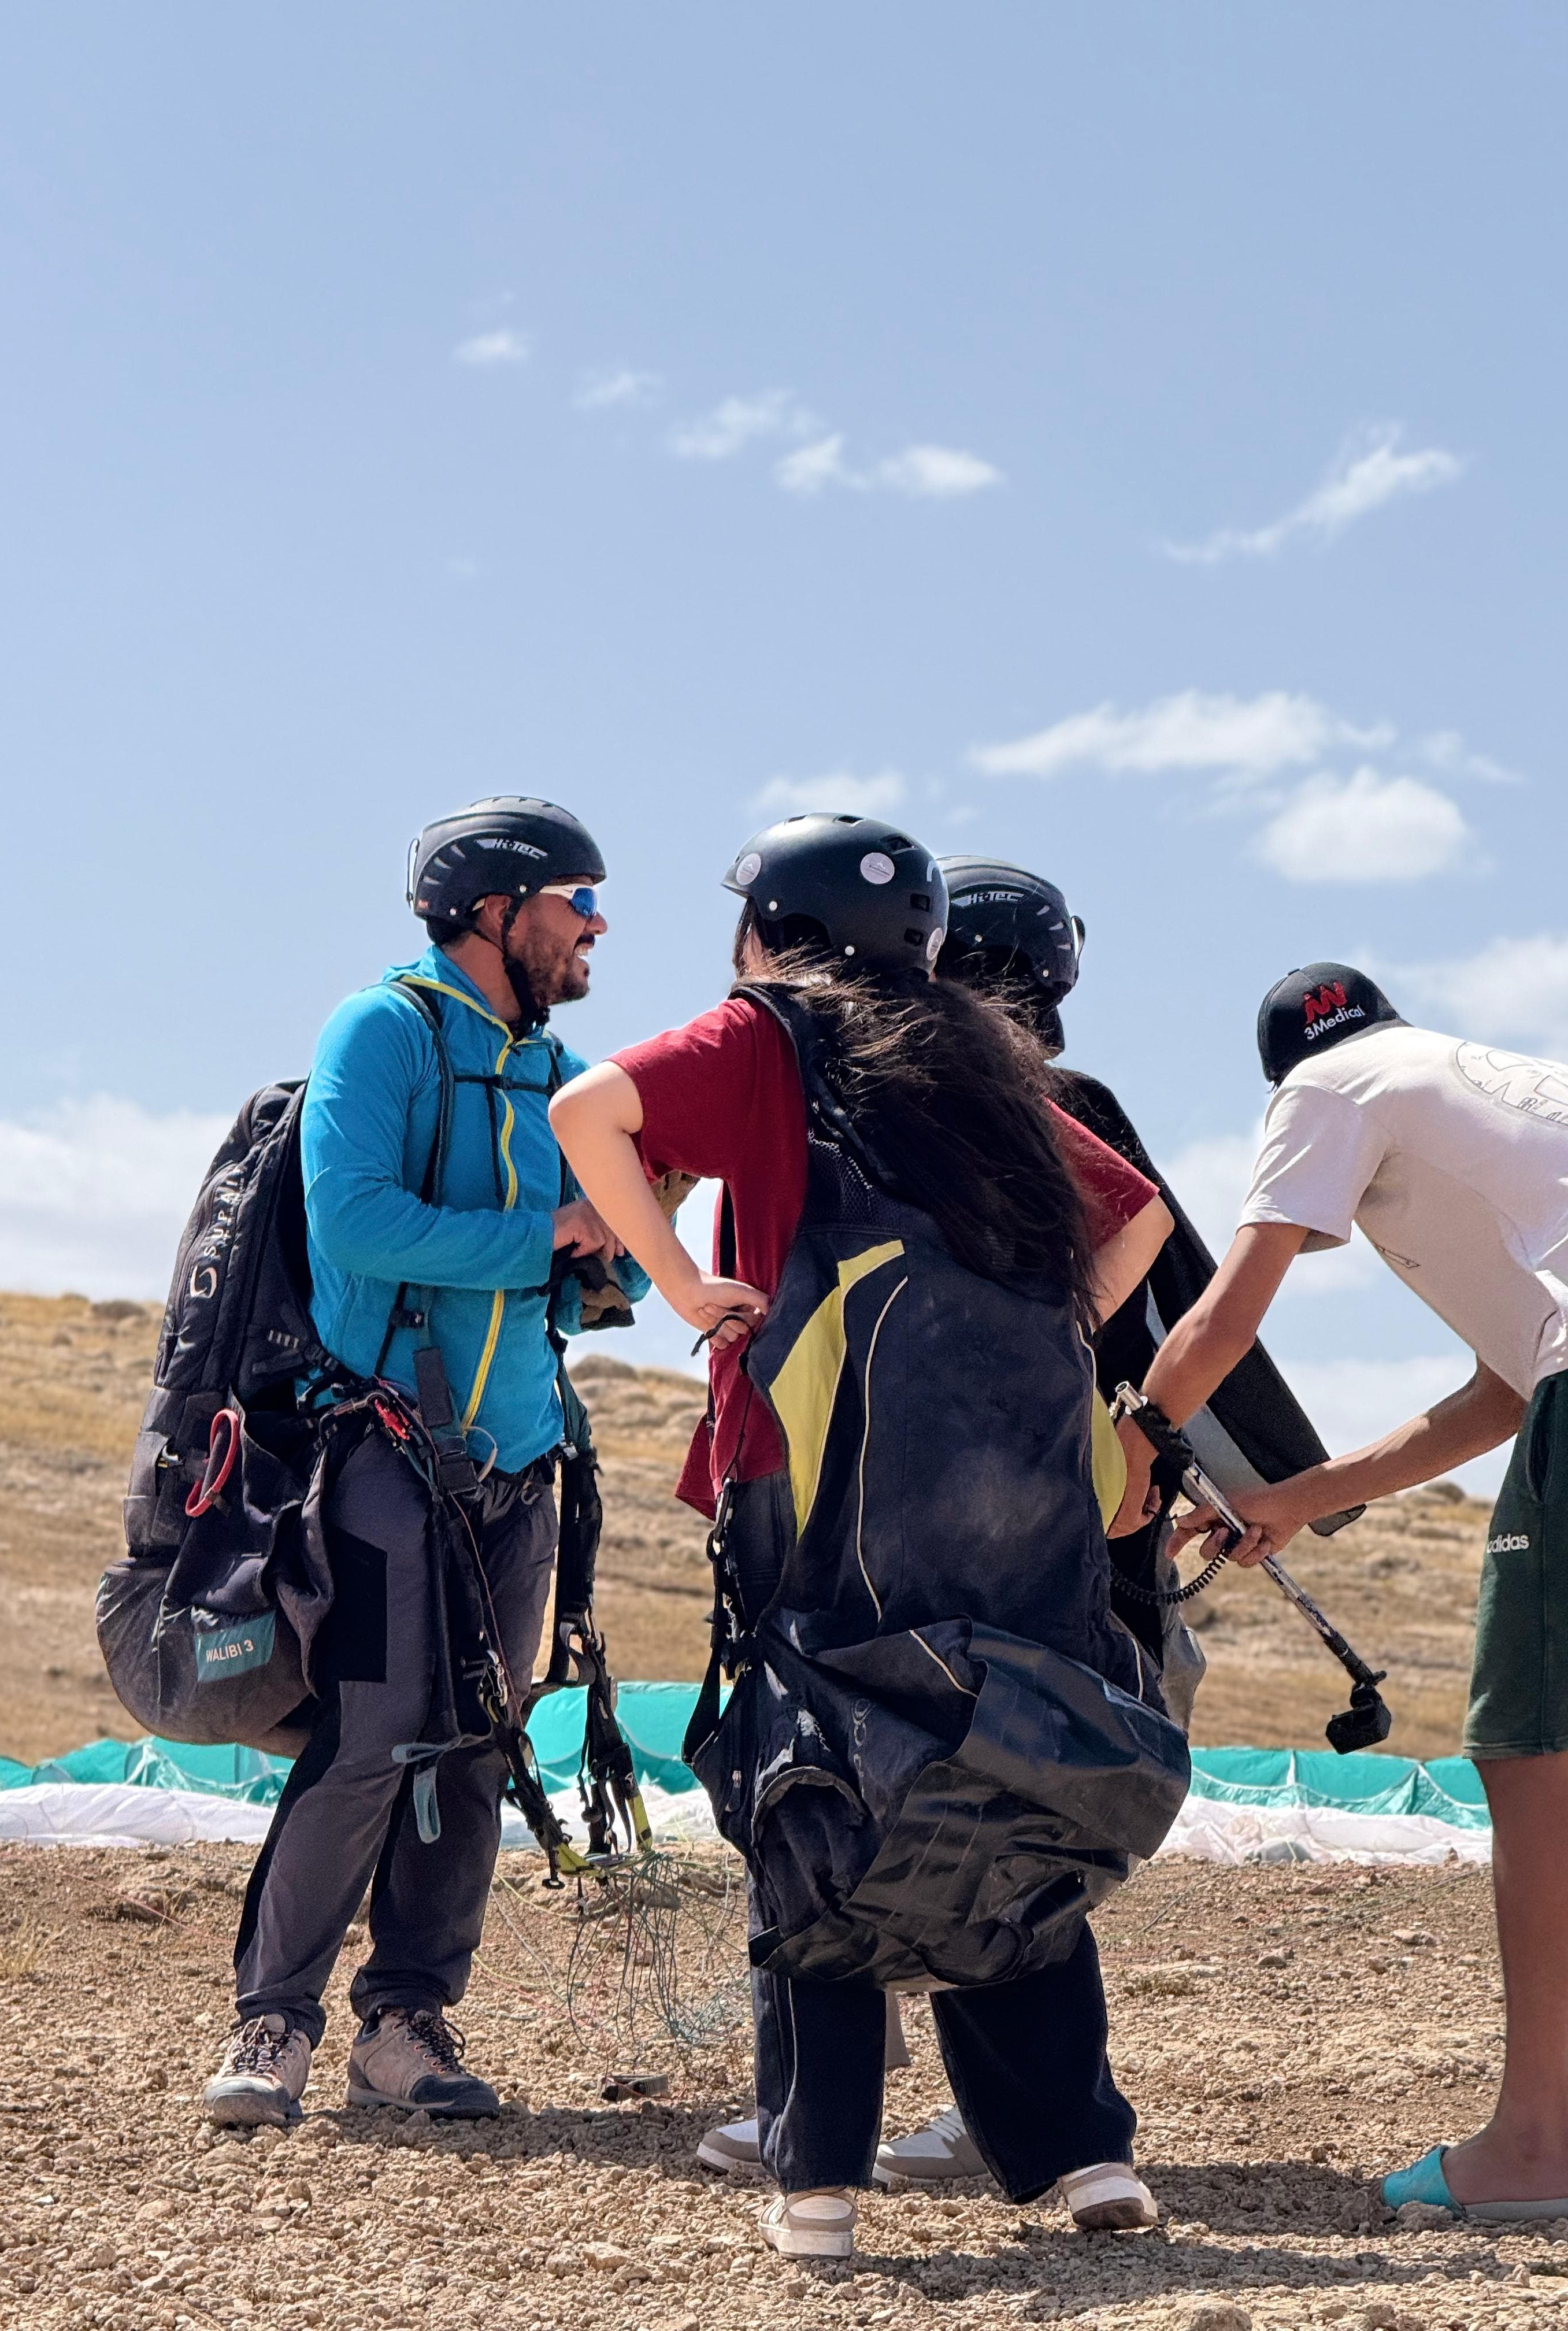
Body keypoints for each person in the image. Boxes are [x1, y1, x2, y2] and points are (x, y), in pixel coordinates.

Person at [551, 813, 1184, 2258]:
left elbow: (588, 1113)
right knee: (1011, 1771)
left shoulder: (772, 1033)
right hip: (1019, 1500)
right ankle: (1085, 2162)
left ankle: (821, 2185)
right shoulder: (984, 1056)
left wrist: (678, 1287)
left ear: (769, 924)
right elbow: (1140, 1220)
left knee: (817, 1788)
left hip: (823, 1483)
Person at [1112, 960, 1568, 2222]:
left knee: (1525, 1749)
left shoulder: (1328, 1085)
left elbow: (1229, 1309)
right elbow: (1500, 1396)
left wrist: (1132, 1440)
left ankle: (1524, 2149)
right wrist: (1297, 1495)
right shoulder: (1518, 1096)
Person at [202, 797, 644, 2129]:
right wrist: (544, 1233)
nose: (597, 923)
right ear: (493, 910)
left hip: (522, 1461)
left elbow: (554, 1270)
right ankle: (271, 2025)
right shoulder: (380, 1029)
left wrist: (598, 1262)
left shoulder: (550, 1065)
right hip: (387, 1449)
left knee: (473, 1743)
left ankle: (404, 2022)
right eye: (576, 896)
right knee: (374, 1736)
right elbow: (356, 1217)